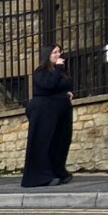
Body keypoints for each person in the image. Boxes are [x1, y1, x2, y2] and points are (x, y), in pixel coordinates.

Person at [22, 45, 75, 187]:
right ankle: (42, 176)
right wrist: (58, 69)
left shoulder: (60, 71)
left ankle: (58, 171)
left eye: (59, 52)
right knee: (45, 143)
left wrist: (67, 93)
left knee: (61, 142)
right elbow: (49, 85)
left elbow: (64, 84)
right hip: (45, 112)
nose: (58, 55)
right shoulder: (41, 71)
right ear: (47, 55)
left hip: (61, 112)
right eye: (55, 52)